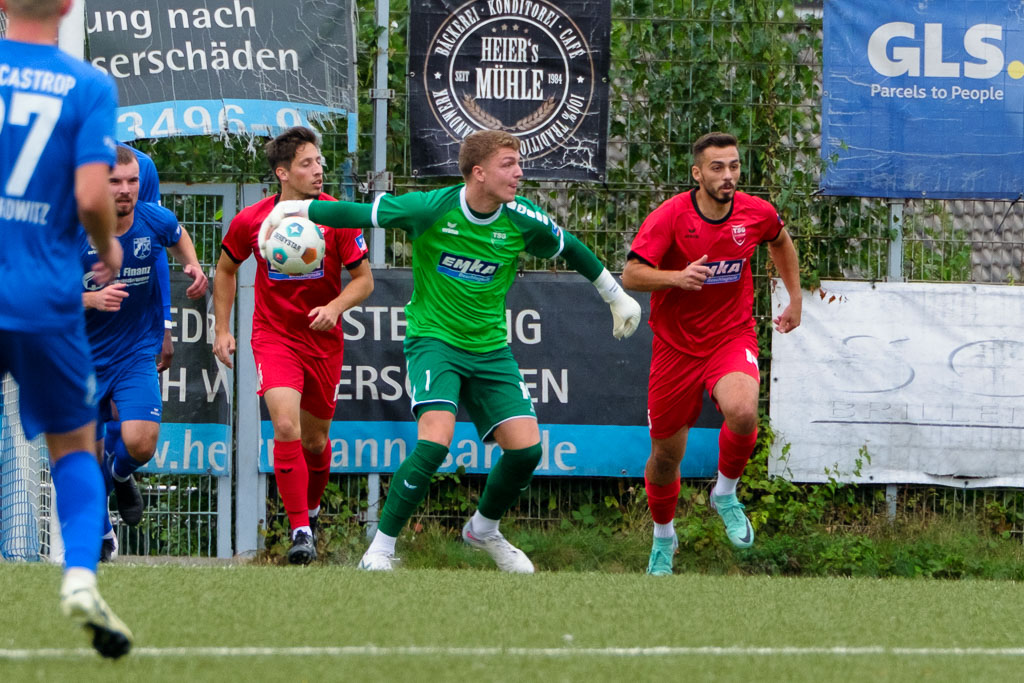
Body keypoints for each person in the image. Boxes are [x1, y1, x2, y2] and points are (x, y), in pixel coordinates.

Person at [261, 129, 643, 573]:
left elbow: (570, 248)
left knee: (526, 451)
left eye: (518, 163)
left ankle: (483, 530)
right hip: (434, 342)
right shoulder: (432, 207)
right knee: (435, 441)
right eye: (508, 164)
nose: (519, 173)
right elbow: (362, 213)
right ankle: (380, 549)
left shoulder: (522, 218)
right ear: (478, 173)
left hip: (491, 349)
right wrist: (300, 208)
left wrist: (615, 296)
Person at [0, 0, 133, 658]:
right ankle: (80, 576)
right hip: (44, 299)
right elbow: (89, 197)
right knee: (74, 446)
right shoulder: (88, 85)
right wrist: (106, 247)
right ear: (67, 7)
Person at [620, 131, 802, 576]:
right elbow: (631, 275)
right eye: (717, 168)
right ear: (697, 173)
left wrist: (794, 299)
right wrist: (677, 278)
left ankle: (725, 492)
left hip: (730, 336)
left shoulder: (755, 213)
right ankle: (664, 538)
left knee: (743, 411)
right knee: (665, 458)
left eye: (734, 166)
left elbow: (780, 240)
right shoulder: (669, 217)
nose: (728, 175)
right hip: (675, 348)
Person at [213, 126, 373, 565]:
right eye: (307, 163)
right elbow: (225, 271)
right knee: (285, 428)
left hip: (322, 340)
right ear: (283, 173)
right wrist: (221, 329)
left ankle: (313, 511)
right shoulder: (253, 220)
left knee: (317, 443)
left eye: (319, 161)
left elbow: (364, 281)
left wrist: (335, 307)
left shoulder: (336, 216)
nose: (318, 169)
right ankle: (300, 530)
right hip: (274, 335)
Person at [81, 146, 208, 559]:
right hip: (77, 354)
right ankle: (100, 536)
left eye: (132, 181)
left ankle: (120, 475)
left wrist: (192, 266)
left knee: (141, 444)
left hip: (134, 350)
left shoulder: (153, 219)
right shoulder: (71, 228)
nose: (125, 190)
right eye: (115, 182)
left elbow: (177, 234)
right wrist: (90, 300)